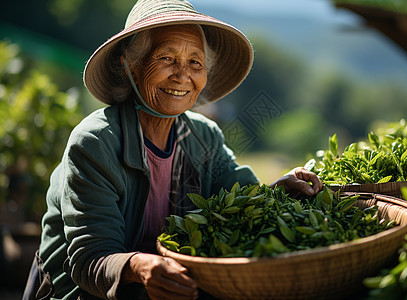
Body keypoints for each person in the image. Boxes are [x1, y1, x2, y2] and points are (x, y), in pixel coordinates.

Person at [25, 0, 323, 299]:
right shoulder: (96, 143)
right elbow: (90, 259)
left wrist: (278, 192)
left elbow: (239, 200)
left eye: (195, 62)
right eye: (166, 58)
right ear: (131, 66)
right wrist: (139, 265)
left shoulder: (203, 136)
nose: (182, 75)